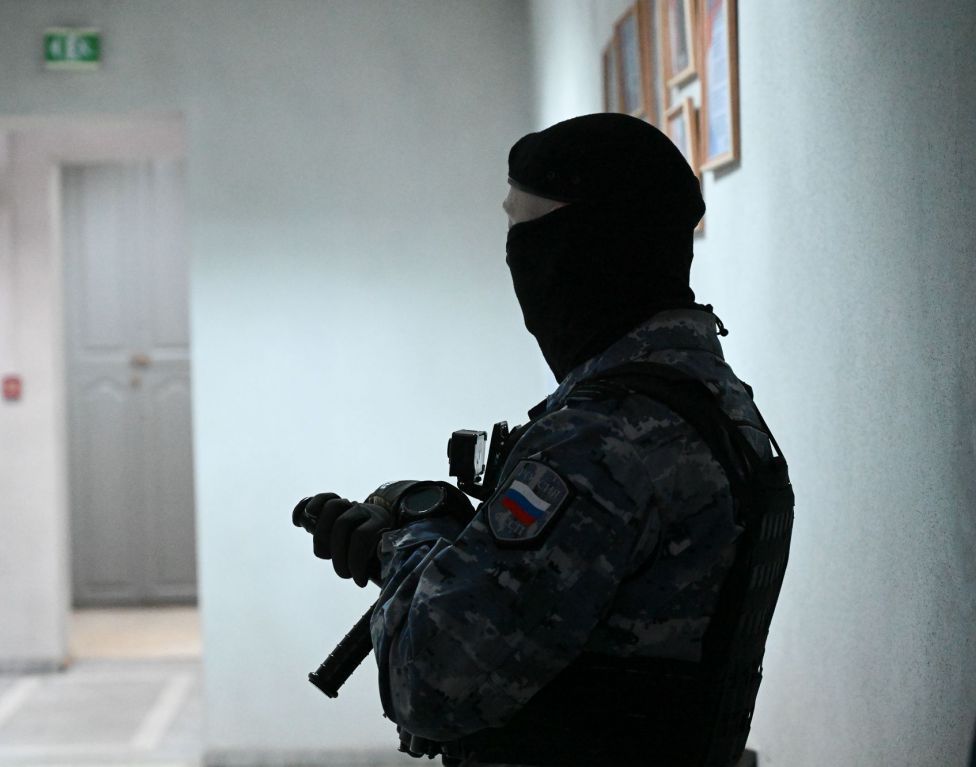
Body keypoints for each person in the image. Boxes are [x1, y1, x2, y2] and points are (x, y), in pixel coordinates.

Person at [294, 114, 785, 766]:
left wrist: (412, 534)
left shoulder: (601, 441)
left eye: (523, 228)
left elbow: (434, 680)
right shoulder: (713, 400)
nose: (514, 256)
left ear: (584, 246)